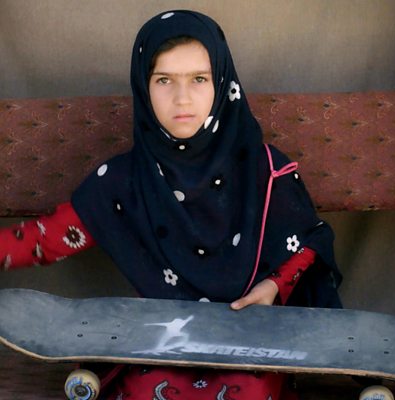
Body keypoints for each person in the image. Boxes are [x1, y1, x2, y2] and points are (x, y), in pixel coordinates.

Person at [0, 10, 342, 400]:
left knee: (245, 391)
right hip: (161, 340)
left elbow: (310, 241)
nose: (182, 98)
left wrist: (272, 287)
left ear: (222, 82)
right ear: (143, 87)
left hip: (249, 340)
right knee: (148, 390)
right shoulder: (123, 181)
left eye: (199, 79)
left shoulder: (264, 170)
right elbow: (45, 239)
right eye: (164, 80)